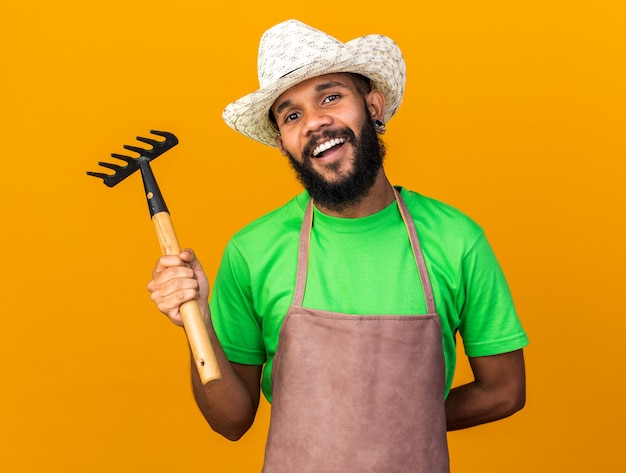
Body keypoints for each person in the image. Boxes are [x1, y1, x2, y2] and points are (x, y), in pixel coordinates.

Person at [147, 19, 529, 472]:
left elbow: (504, 391)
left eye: (330, 97)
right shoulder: (253, 250)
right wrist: (199, 322)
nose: (314, 122)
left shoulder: (455, 239)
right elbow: (231, 421)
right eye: (291, 115)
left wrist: (389, 426)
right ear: (283, 144)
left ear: (373, 105)